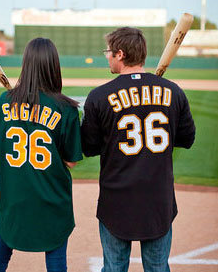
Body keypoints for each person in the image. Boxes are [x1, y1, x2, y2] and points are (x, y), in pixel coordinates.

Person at [81, 27, 195, 272]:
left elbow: (88, 147)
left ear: (120, 54)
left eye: (109, 52)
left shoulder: (99, 96)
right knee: (157, 268)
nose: (107, 56)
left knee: (113, 268)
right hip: (158, 200)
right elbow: (187, 138)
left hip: (116, 201)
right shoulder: (173, 91)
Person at [0, 37, 83, 272]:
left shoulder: (4, 101)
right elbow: (71, 160)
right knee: (56, 261)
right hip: (52, 200)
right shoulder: (66, 108)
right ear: (54, 67)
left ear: (25, 64)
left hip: (14, 200)